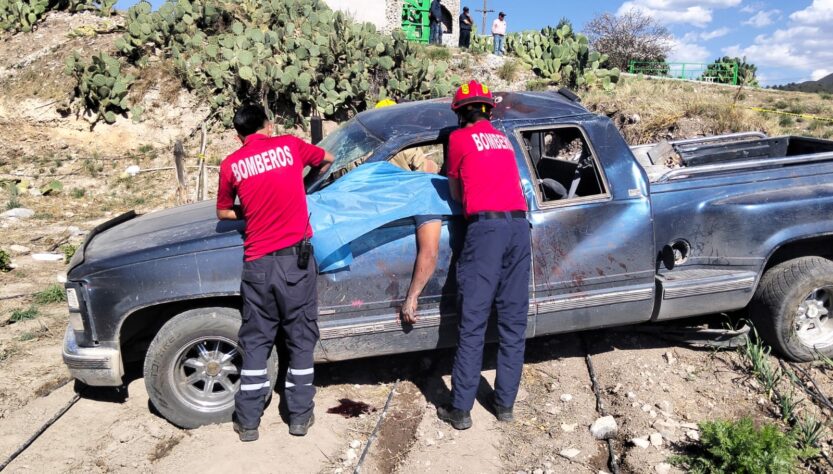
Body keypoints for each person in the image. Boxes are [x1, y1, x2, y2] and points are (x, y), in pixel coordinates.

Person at [216, 103, 334, 440]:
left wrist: (251, 209)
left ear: (238, 135)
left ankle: (248, 422)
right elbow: (327, 159)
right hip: (295, 262)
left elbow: (223, 212)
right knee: (300, 337)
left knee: (256, 340)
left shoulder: (231, 164)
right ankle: (299, 417)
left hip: (257, 266)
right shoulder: (290, 146)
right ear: (268, 126)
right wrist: (301, 187)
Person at [437, 80, 531, 430]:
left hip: (486, 231)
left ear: (461, 114)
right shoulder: (503, 139)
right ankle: (504, 404)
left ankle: (460, 409)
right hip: (518, 228)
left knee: (473, 321)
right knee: (513, 322)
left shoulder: (458, 139)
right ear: (489, 110)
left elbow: (455, 192)